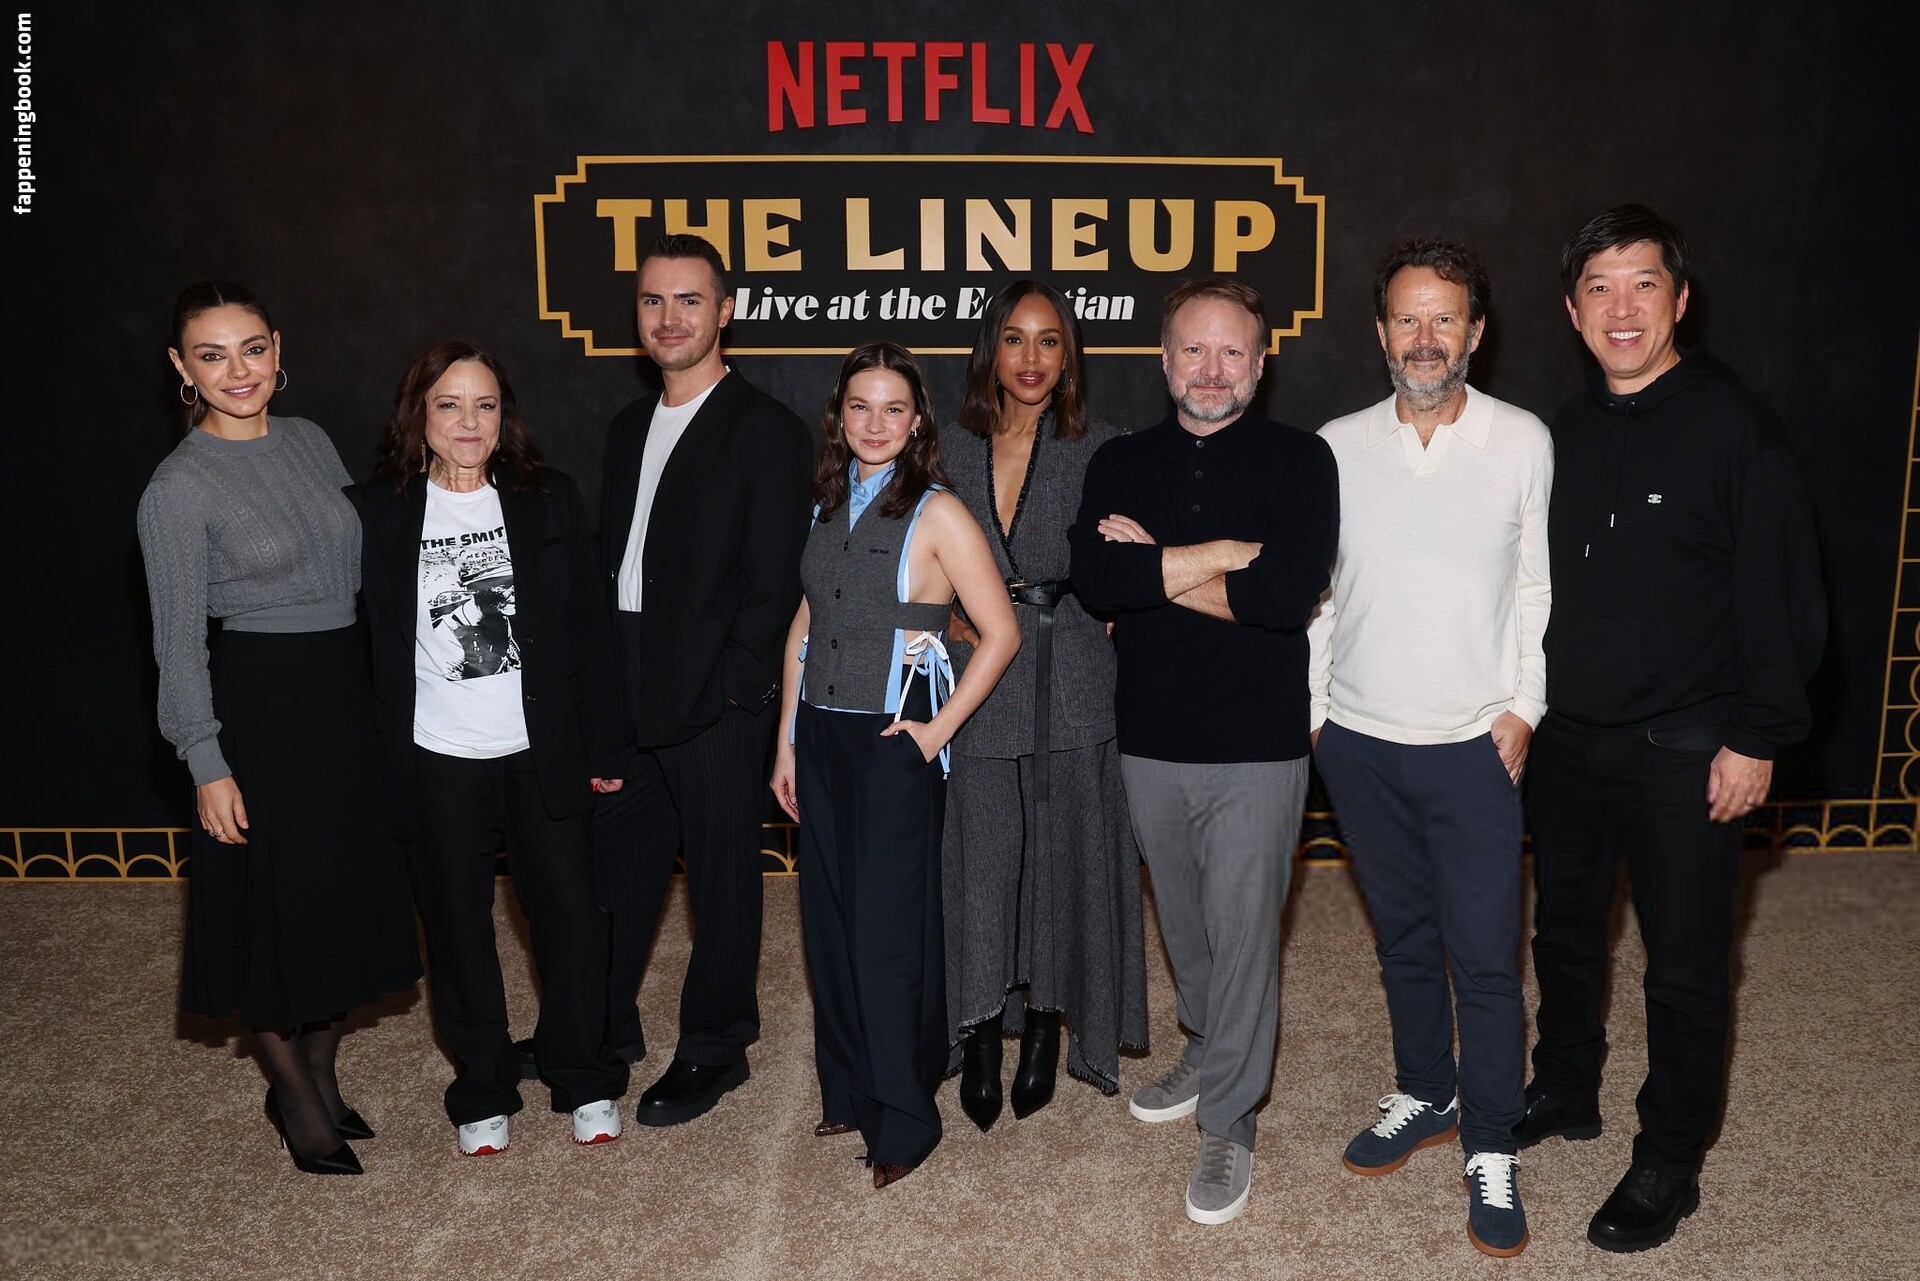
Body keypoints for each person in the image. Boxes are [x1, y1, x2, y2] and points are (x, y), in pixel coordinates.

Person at [1519, 205, 1825, 1253]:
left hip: (1689, 748)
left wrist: (1759, 736)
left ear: (1681, 300)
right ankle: (1566, 1086)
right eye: (1599, 287)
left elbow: (1785, 597)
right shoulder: (1558, 434)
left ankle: (1670, 1156)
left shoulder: (1737, 428)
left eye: (1643, 283)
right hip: (1567, 740)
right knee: (1563, 932)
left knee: (1685, 965)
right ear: (1572, 311)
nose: (1622, 307)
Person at [136, 281, 420, 1176]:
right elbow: (176, 641)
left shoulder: (310, 440)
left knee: (341, 890)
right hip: (259, 708)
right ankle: (295, 1096)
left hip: (345, 694)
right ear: (182, 367)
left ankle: (321, 1070)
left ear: (277, 349)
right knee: (273, 904)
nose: (238, 370)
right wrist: (205, 759)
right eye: (212, 354)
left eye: (252, 348)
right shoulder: (176, 489)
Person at [1069, 278, 1337, 1225]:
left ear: (1260, 364)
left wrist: (1159, 564)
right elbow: (1098, 580)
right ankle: (1205, 1040)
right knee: (1184, 923)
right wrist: (1229, 551)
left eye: (1232, 352)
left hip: (1258, 743)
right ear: (1164, 358)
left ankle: (1230, 1116)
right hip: (1149, 737)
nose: (1212, 369)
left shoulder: (1301, 460)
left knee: (1244, 929)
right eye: (1194, 349)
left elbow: (1285, 596)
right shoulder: (1121, 460)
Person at [1306, 239, 1551, 1257]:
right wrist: (1317, 713)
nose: (1424, 337)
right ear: (1380, 332)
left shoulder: (1522, 440)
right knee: (1402, 940)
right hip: (1358, 742)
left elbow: (1535, 586)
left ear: (1476, 331)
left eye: (1444, 317)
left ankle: (1490, 1140)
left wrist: (1524, 708)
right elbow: (1319, 592)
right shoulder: (1334, 445)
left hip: (1473, 747)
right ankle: (1427, 1092)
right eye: (1407, 318)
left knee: (1485, 959)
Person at [351, 341, 631, 1157]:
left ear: (506, 417)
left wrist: (604, 743)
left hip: (540, 750)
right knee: (458, 930)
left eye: (485, 405)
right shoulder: (375, 511)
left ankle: (584, 1074)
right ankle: (482, 1085)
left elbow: (590, 629)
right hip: (434, 754)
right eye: (449, 404)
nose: (468, 422)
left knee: (572, 920)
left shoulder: (550, 499)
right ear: (420, 414)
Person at [770, 341, 1019, 1188]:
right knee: (830, 926)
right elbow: (804, 624)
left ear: (917, 423)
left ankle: (905, 1117)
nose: (875, 423)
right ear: (838, 414)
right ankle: (849, 1088)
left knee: (885, 938)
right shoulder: (826, 501)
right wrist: (786, 740)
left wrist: (934, 733)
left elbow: (1001, 634)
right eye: (860, 406)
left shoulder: (940, 513)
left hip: (892, 743)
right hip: (820, 736)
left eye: (893, 408)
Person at [591, 233, 814, 1127]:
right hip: (630, 678)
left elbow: (775, 583)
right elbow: (615, 569)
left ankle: (717, 1045)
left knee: (722, 880)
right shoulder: (626, 427)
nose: (670, 317)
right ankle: (602, 1027)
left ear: (726, 311)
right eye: (653, 300)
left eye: (690, 300)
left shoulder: (766, 430)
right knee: (618, 870)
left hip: (718, 695)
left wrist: (735, 692)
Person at [938, 281, 1148, 1130]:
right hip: (977, 676)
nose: (1031, 358)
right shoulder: (946, 447)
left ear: (1069, 357)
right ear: (990, 350)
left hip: (1072, 673)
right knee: (984, 858)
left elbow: (1128, 567)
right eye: (1015, 339)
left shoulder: (1106, 448)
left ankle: (1048, 1027)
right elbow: (910, 552)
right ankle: (983, 1026)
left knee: (1065, 859)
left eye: (1049, 340)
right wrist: (942, 618)